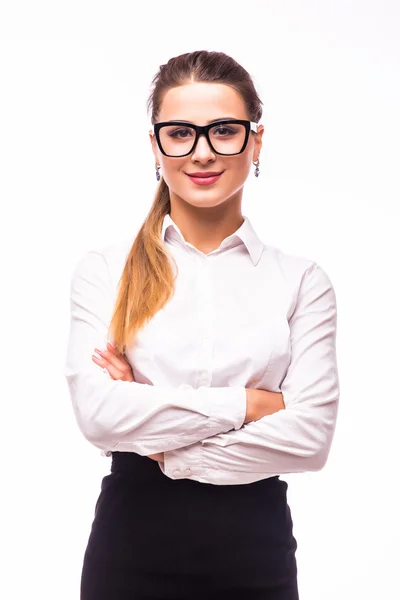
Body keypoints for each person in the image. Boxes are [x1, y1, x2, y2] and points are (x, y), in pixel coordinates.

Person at [64, 49, 340, 600]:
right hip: (130, 549)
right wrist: (251, 405)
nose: (202, 153)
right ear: (156, 145)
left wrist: (164, 445)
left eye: (223, 131)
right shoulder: (107, 271)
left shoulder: (301, 281)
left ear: (255, 141)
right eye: (180, 133)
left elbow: (310, 439)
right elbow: (98, 417)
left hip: (255, 555)